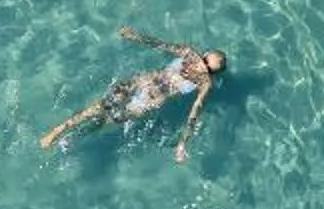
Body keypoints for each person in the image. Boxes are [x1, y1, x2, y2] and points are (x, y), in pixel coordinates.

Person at [41, 27, 228, 164]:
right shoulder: (189, 55)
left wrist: (182, 143)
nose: (199, 67)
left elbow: (194, 113)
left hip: (147, 102)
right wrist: (135, 36)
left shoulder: (204, 83)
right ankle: (58, 130)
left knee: (107, 119)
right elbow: (159, 44)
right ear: (204, 54)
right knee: (101, 107)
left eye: (206, 69)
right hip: (139, 84)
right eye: (203, 61)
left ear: (212, 73)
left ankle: (73, 138)